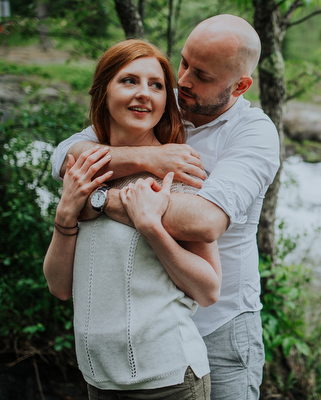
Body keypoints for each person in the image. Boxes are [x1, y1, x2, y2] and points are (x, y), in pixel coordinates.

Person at [51, 14, 281, 400]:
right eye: (185, 62)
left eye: (203, 75)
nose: (184, 80)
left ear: (240, 85)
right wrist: (147, 159)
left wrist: (100, 198)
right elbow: (66, 156)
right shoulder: (158, 101)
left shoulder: (254, 134)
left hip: (220, 322)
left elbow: (204, 221)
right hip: (145, 327)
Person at [44, 39, 222, 399]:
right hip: (99, 380)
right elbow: (60, 287)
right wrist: (65, 216)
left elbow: (208, 289)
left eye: (156, 85)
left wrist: (152, 229)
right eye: (129, 81)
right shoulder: (83, 174)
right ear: (103, 90)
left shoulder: (177, 174)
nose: (144, 94)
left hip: (169, 381)